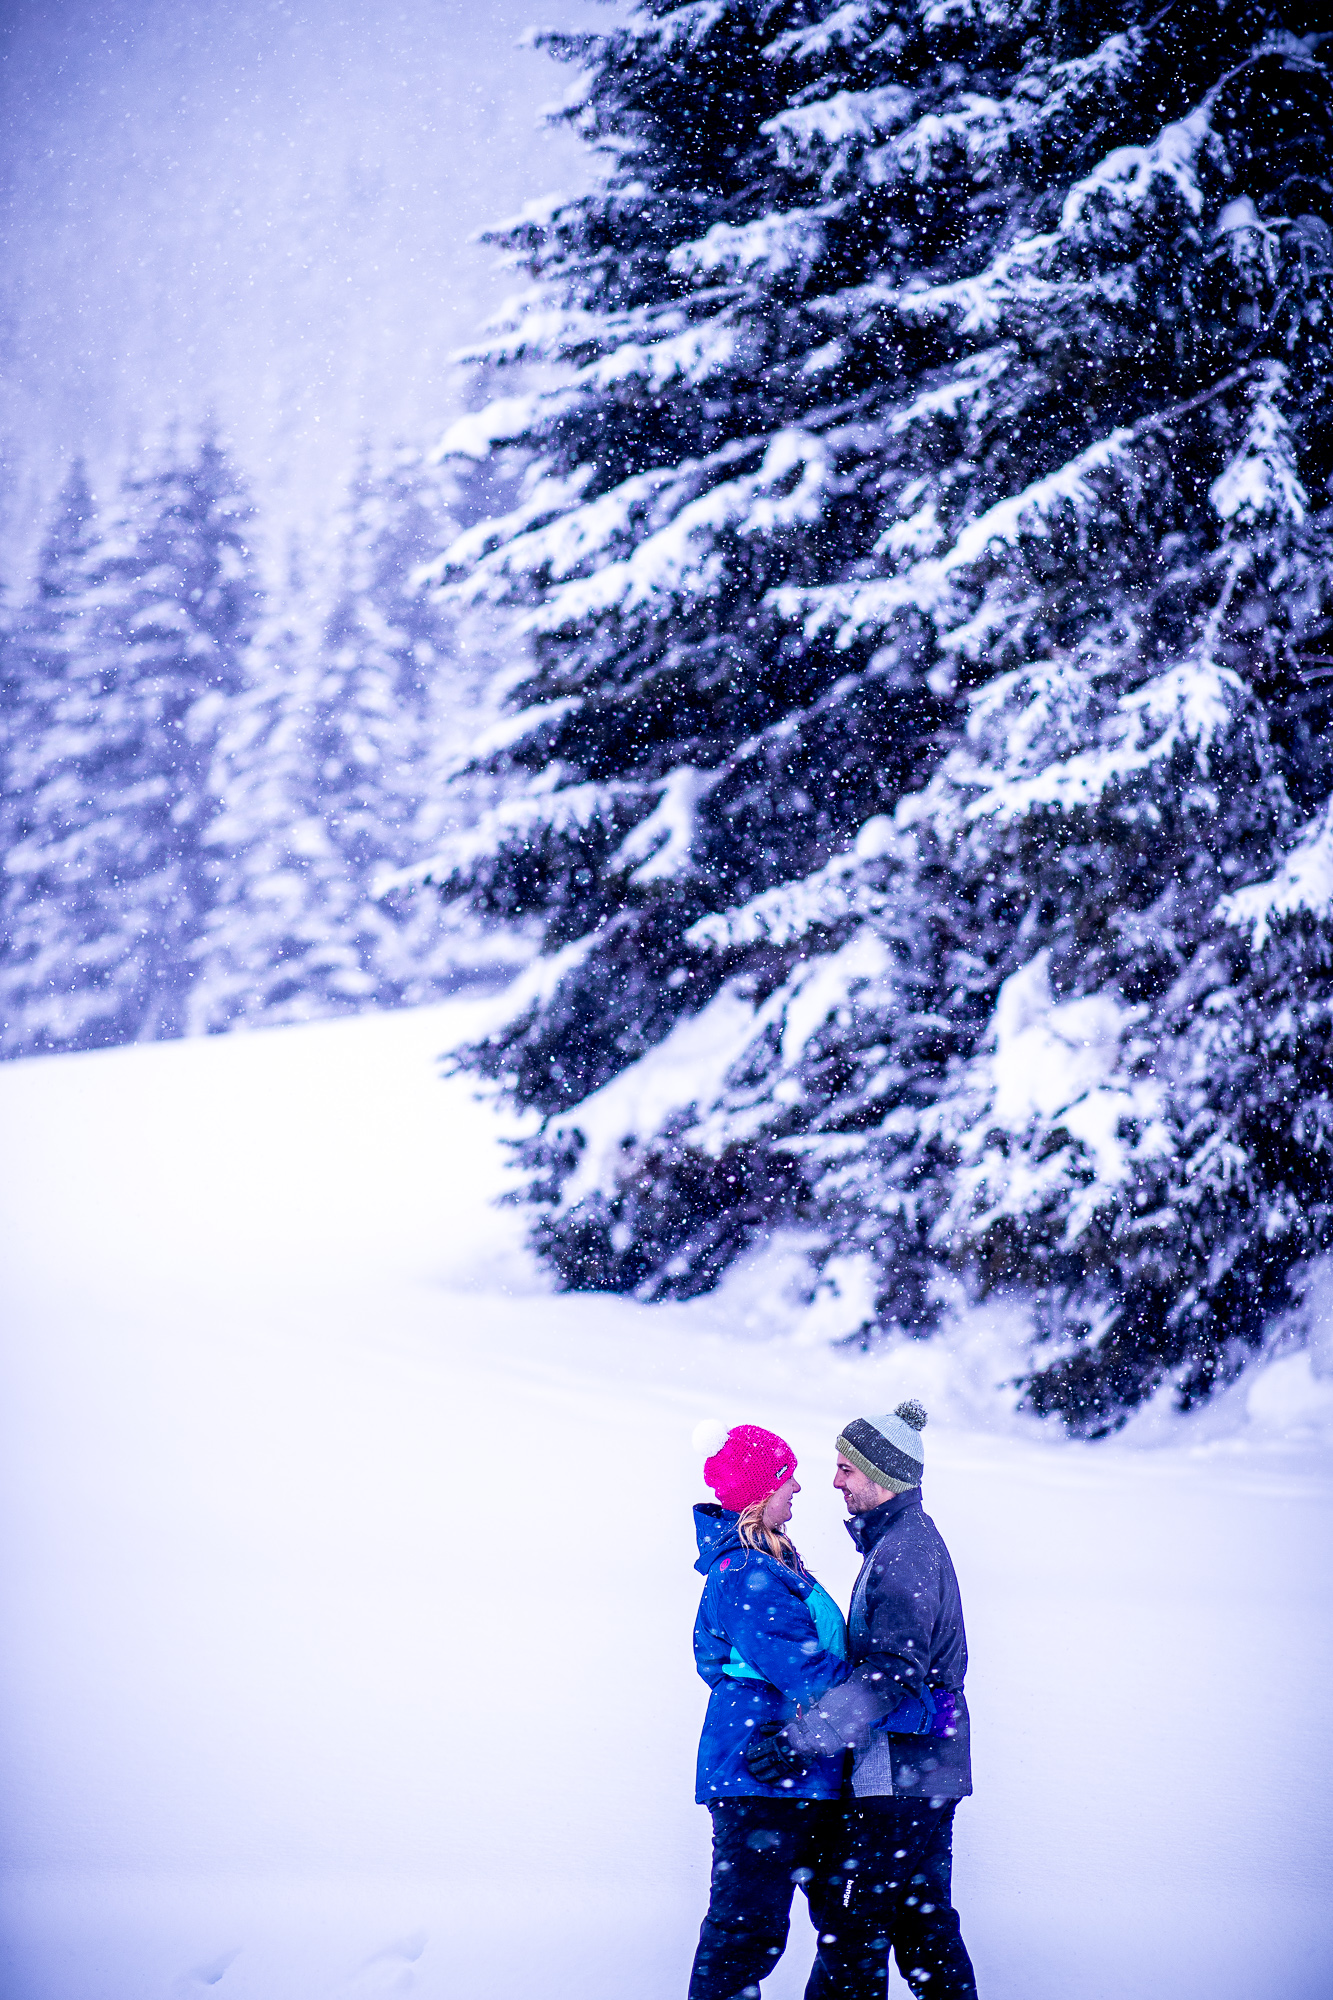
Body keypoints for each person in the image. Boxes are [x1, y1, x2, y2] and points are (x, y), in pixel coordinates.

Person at [745, 1401, 978, 2000]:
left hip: (900, 1777)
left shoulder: (903, 1554)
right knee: (924, 1929)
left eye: (847, 1468)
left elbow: (889, 1677)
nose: (834, 1481)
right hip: (923, 1774)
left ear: (883, 1476)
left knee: (853, 1934)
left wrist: (801, 1741)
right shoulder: (901, 1543)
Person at [687, 1421, 848, 2000]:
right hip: (762, 1776)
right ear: (759, 1492)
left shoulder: (768, 1562)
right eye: (786, 1479)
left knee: (846, 1932)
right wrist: (876, 1690)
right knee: (746, 1933)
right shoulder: (749, 1572)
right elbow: (806, 1671)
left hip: (792, 1771)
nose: (799, 1490)